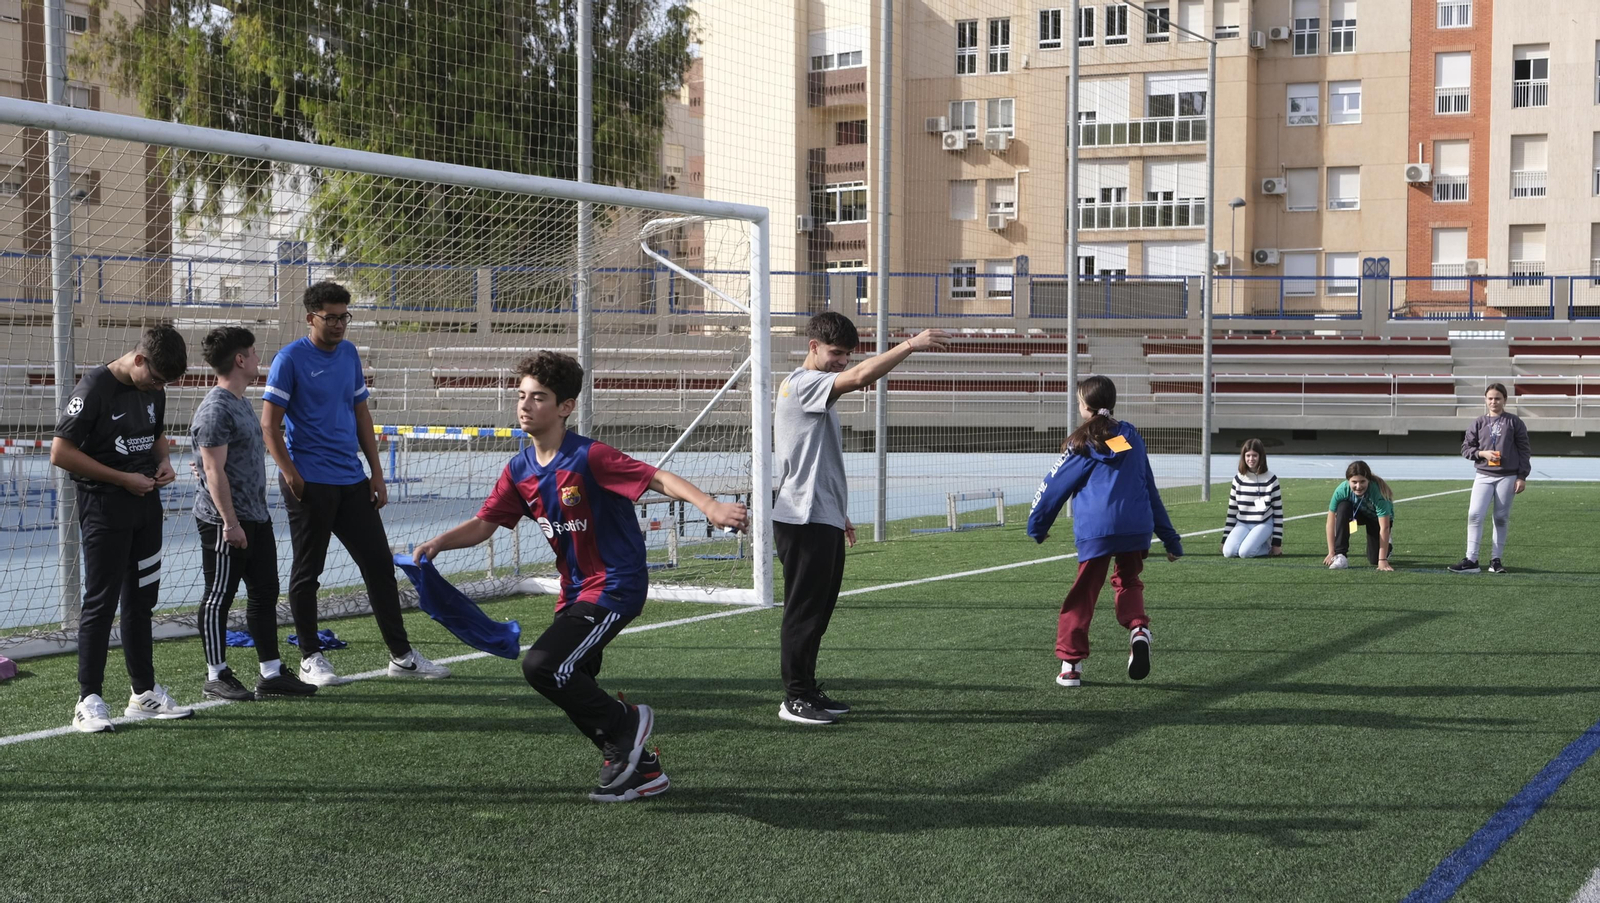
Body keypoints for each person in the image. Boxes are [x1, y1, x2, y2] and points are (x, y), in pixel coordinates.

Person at [412, 351, 748, 803]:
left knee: (542, 666)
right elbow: (485, 524)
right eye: (521, 396)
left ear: (565, 406)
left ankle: (627, 722)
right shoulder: (519, 470)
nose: (525, 405)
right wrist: (438, 543)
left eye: (539, 397)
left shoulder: (590, 457)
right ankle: (641, 769)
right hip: (574, 593)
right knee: (571, 680)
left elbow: (657, 478)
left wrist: (710, 506)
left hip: (615, 586)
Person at [262, 281, 449, 685]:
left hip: (352, 480)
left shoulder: (348, 354)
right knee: (308, 572)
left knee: (379, 565)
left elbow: (362, 413)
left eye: (343, 316)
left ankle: (402, 656)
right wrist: (292, 475)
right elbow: (269, 425)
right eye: (330, 317)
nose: (338, 324)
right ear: (311, 318)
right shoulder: (289, 359)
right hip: (310, 483)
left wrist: (376, 473)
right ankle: (311, 657)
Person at [772, 313, 948, 725]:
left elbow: (814, 461)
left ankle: (807, 690)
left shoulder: (816, 387)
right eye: (836, 353)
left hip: (821, 514)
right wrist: (910, 345)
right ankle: (794, 699)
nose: (842, 361)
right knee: (804, 611)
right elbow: (860, 378)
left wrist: (839, 512)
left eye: (847, 355)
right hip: (802, 518)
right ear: (813, 346)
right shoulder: (803, 383)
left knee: (819, 612)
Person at [51, 325, 193, 732]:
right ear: (139, 359)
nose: (159, 387)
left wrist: (163, 462)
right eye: (157, 378)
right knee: (101, 602)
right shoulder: (94, 387)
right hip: (105, 508)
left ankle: (143, 693)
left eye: (165, 383)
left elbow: (156, 434)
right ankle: (88, 699)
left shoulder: (155, 387)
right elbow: (60, 453)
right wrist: (121, 478)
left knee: (141, 601)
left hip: (146, 507)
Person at [1026, 375, 1183, 688]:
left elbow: (1053, 488)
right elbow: (1150, 489)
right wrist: (1170, 539)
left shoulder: (1081, 443)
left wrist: (1037, 526)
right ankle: (1138, 629)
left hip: (1097, 529)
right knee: (1128, 581)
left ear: (1085, 406)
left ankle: (1071, 665)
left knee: (1084, 593)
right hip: (1136, 526)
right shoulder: (1130, 438)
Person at [191, 327, 318, 702]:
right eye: (253, 352)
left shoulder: (240, 402)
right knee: (219, 596)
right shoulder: (215, 409)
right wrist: (230, 523)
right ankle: (216, 675)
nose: (258, 358)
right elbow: (213, 471)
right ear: (240, 360)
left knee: (264, 592)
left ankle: (272, 673)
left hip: (256, 516)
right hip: (225, 521)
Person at [1449, 383, 1530, 575]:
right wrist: (1482, 453)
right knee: (1474, 515)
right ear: (1485, 400)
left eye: (1498, 398)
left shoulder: (1514, 422)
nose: (1494, 402)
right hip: (1483, 475)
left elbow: (1524, 450)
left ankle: (1495, 561)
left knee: (1501, 518)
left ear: (1505, 400)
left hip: (1507, 476)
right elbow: (1466, 449)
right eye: (1490, 398)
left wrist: (1522, 476)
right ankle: (1471, 560)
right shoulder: (1478, 423)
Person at [1323, 461, 1395, 572]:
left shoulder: (1377, 492)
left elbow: (1384, 527)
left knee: (1374, 559)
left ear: (1368, 480)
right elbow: (1330, 523)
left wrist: (1382, 560)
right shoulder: (1342, 490)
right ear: (1348, 481)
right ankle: (1341, 555)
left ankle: (1387, 545)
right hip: (1358, 513)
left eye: (1362, 482)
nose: (1358, 486)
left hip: (1376, 519)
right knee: (1343, 506)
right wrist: (1331, 552)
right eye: (1354, 482)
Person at [1220, 438, 1283, 559]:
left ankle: (1267, 546)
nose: (1251, 459)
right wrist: (1225, 539)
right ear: (1243, 457)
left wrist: (1276, 544)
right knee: (1228, 552)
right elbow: (1232, 511)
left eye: (1255, 455)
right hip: (1242, 523)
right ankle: (1254, 542)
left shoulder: (1271, 479)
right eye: (1248, 455)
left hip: (1264, 523)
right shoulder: (1238, 479)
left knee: (1245, 553)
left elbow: (1278, 512)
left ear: (1261, 457)